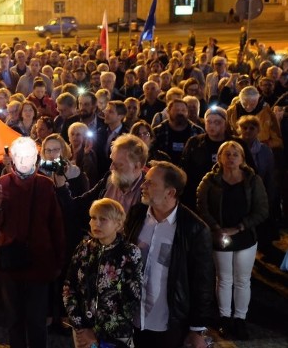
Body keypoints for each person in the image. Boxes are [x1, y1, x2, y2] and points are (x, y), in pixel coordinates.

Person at [122, 161, 215, 348]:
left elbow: (202, 282)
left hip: (168, 323)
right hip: (132, 317)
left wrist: (197, 329)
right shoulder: (136, 214)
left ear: (170, 192)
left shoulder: (194, 229)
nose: (143, 186)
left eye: (150, 183)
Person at [0, 136, 65, 348]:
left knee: (37, 320)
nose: (24, 160)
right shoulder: (1, 184)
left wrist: (59, 260)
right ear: (12, 159)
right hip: (10, 262)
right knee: (14, 319)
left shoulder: (45, 185)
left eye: (29, 156)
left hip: (39, 261)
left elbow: (55, 224)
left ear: (36, 159)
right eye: (20, 156)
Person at [195, 141, 268, 340]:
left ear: (242, 159)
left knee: (243, 280)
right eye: (227, 154)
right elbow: (202, 205)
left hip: (245, 237)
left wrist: (240, 227)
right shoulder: (210, 180)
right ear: (219, 158)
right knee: (224, 279)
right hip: (220, 236)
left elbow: (262, 209)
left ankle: (240, 318)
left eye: (235, 154)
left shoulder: (252, 181)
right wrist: (216, 228)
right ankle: (225, 318)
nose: (231, 158)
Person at [62, 198, 143, 348]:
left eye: (103, 219)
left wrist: (97, 333)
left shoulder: (129, 252)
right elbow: (69, 287)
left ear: (118, 224)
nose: (96, 223)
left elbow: (131, 299)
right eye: (93, 218)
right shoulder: (83, 249)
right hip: (82, 331)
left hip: (115, 335)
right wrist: (80, 324)